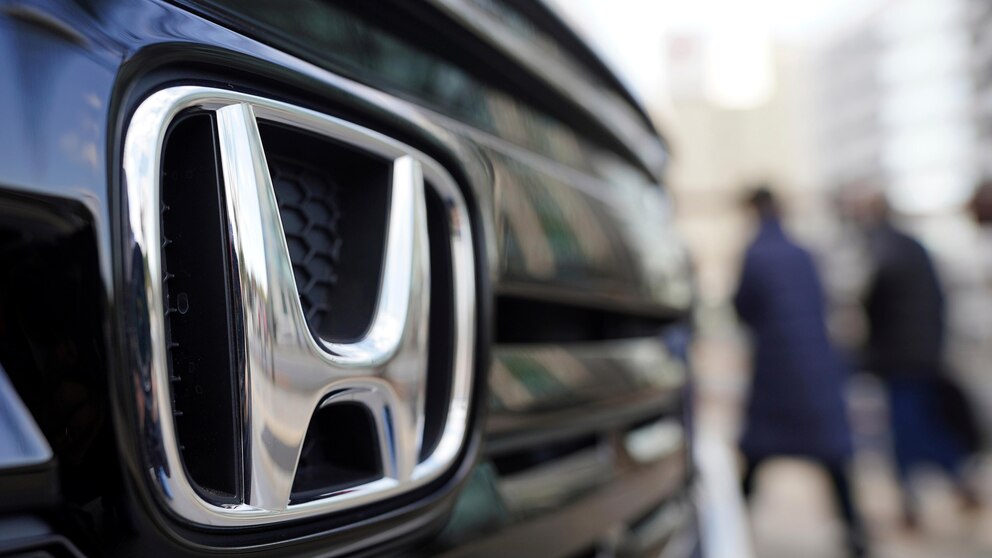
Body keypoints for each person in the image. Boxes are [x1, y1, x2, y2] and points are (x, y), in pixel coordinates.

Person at [734, 187, 866, 557]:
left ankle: (731, 535)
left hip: (776, 374)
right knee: (834, 459)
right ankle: (856, 537)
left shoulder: (755, 254)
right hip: (816, 370)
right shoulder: (805, 253)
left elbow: (742, 307)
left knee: (756, 458)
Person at [860, 190, 980, 527]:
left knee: (907, 433)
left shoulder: (885, 250)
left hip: (901, 359)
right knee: (921, 427)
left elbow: (874, 304)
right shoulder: (912, 247)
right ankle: (947, 487)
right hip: (922, 355)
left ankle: (914, 503)